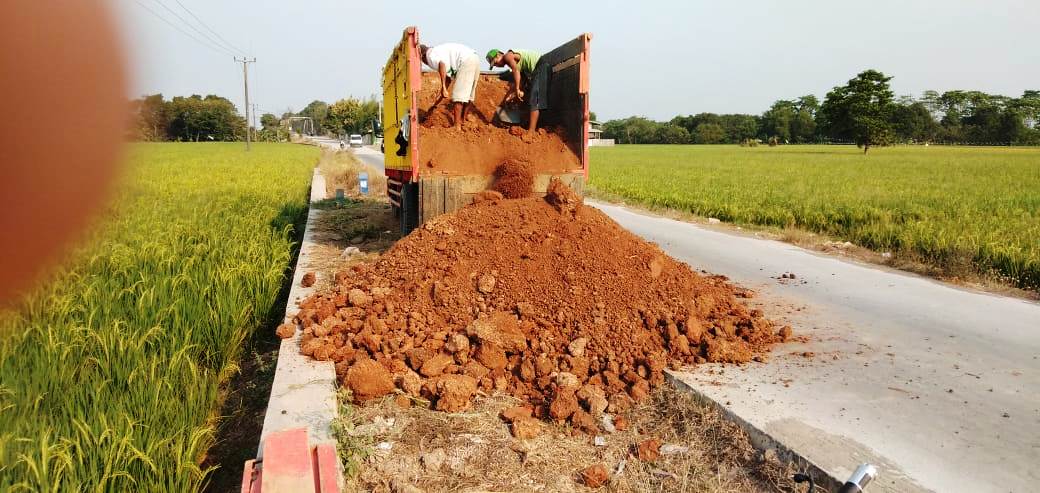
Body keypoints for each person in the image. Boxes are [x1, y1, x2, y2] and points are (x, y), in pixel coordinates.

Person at [419, 43, 480, 129]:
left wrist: (443, 87)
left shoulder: (430, 55)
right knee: (469, 94)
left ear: (422, 56)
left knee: (458, 96)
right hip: (474, 57)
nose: (423, 63)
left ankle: (456, 126)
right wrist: (437, 101)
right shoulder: (438, 52)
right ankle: (463, 121)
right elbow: (448, 79)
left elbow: (441, 64)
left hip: (465, 60)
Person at [486, 48, 547, 132]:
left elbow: (515, 70)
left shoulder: (508, 56)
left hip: (541, 67)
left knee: (534, 98)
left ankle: (531, 131)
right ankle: (528, 125)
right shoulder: (516, 63)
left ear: (498, 55)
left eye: (495, 63)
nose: (497, 66)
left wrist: (517, 89)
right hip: (537, 71)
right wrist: (509, 98)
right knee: (528, 96)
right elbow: (519, 80)